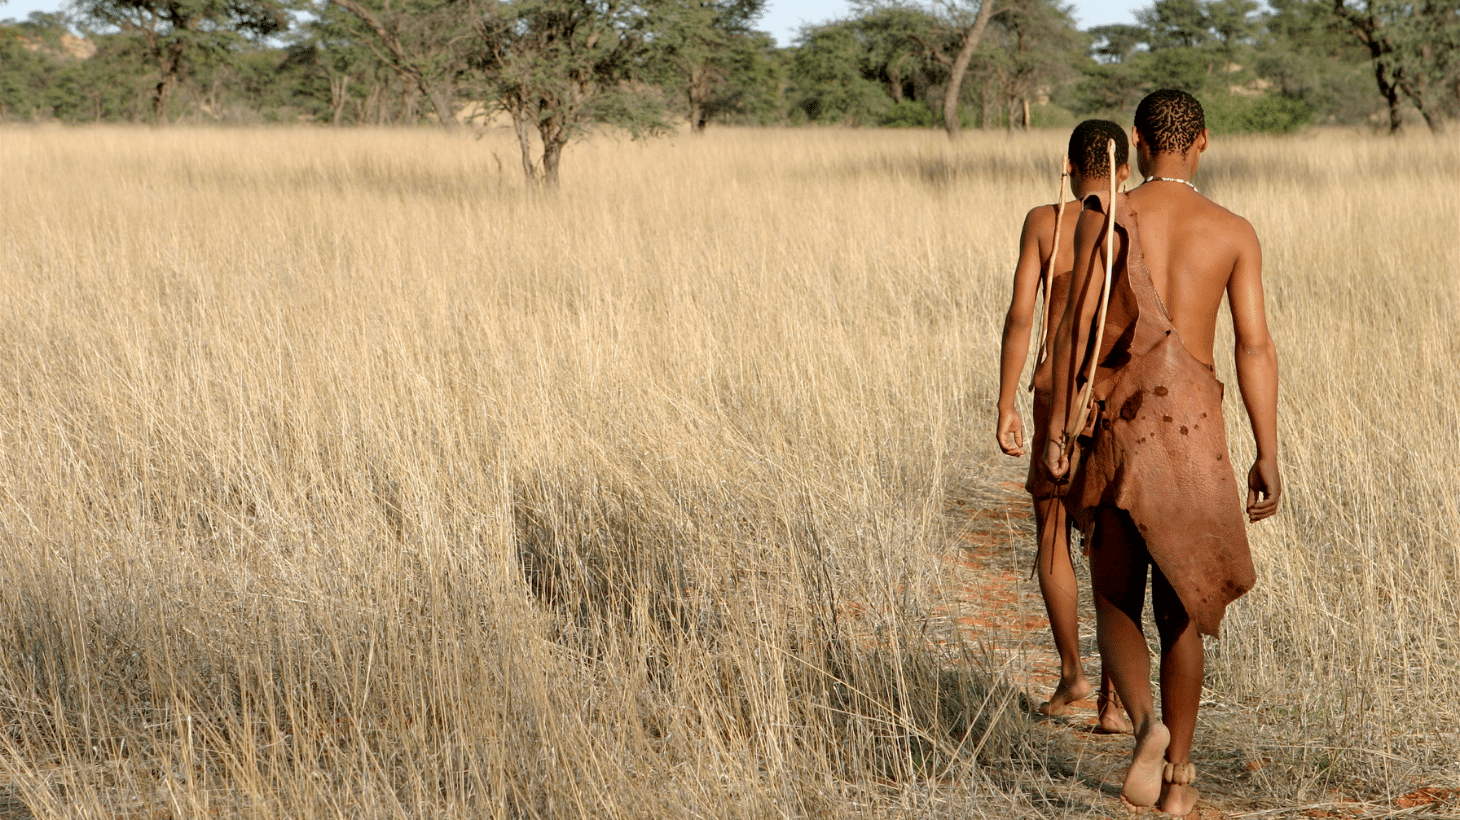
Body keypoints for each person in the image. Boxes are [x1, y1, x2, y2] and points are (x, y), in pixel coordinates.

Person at [1043, 90, 1281, 815]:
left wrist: (1058, 430)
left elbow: (1078, 331)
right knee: (1183, 610)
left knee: (1117, 596)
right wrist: (1267, 451)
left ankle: (1145, 725)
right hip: (1196, 430)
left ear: (1138, 145)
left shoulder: (1109, 218)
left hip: (1120, 420)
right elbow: (1254, 346)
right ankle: (1179, 779)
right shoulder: (1234, 232)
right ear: (1203, 142)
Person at [995, 119, 1131, 734]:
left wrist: (1006, 403)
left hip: (1055, 395)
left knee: (1052, 528)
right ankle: (1112, 699)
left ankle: (1073, 672)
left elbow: (1022, 315)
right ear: (1124, 171)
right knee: (1114, 544)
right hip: (1118, 397)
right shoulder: (1138, 221)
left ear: (1069, 168)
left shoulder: (1047, 220)